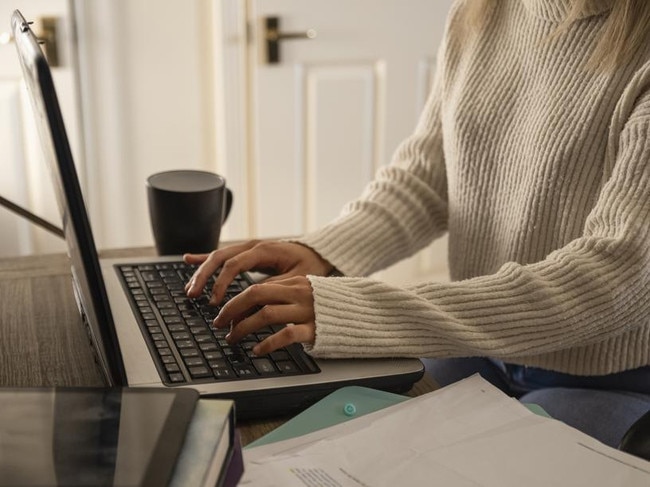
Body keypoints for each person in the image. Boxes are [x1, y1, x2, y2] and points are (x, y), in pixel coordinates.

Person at [185, 0, 650, 448]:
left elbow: (614, 280)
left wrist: (366, 311)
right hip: (476, 350)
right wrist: (323, 252)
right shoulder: (481, 10)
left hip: (608, 380)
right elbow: (426, 180)